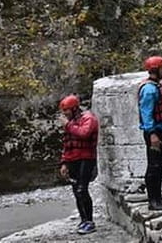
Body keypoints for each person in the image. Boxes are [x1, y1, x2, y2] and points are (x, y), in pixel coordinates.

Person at [138, 55, 162, 210]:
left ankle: (159, 198)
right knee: (153, 165)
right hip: (153, 132)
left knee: (159, 164)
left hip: (159, 130)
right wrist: (152, 134)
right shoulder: (149, 89)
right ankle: (152, 200)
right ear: (157, 70)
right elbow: (146, 113)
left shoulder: (155, 85)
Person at [58, 94, 99, 235]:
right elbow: (66, 145)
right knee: (76, 191)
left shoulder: (89, 119)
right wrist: (64, 163)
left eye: (67, 111)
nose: (65, 114)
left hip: (86, 159)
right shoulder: (70, 123)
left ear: (75, 109)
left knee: (82, 189)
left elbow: (84, 133)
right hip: (73, 160)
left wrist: (68, 125)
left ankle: (90, 222)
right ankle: (83, 219)